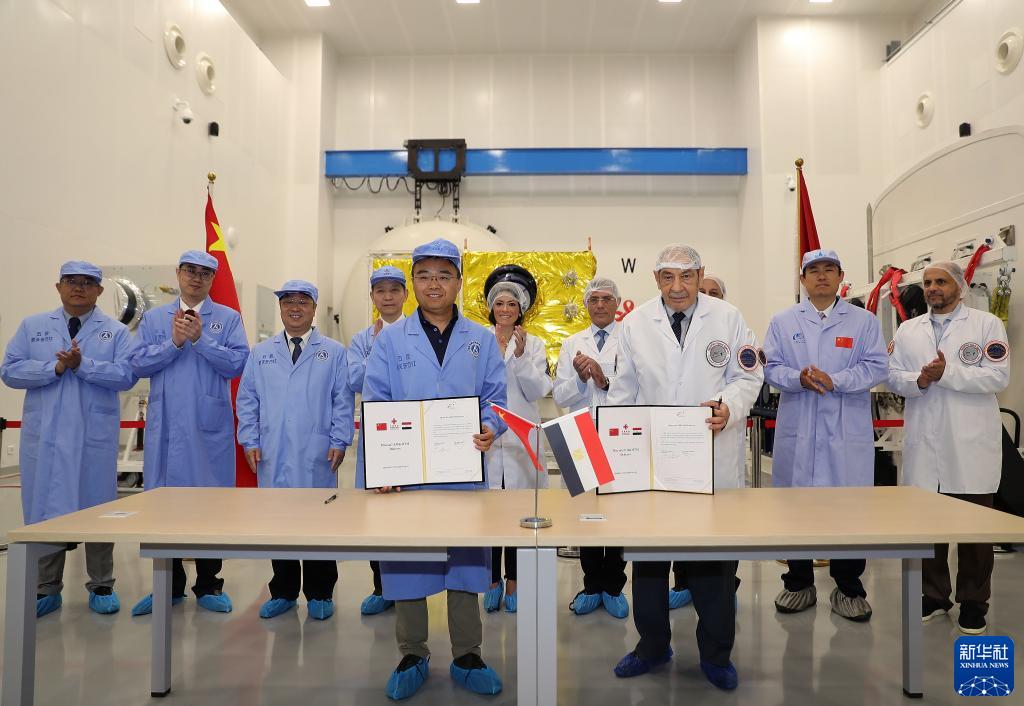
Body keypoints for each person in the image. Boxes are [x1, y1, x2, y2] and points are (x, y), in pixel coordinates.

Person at [606, 244, 762, 691]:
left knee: (713, 566)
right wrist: (617, 451)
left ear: (700, 275)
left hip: (711, 456)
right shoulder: (635, 324)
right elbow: (622, 392)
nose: (678, 287)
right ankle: (652, 646)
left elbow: (748, 375)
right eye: (668, 277)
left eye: (687, 276)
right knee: (649, 565)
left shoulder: (728, 318)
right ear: (656, 279)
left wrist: (728, 406)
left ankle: (716, 654)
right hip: (653, 462)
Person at [362, 238, 507, 700]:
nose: (434, 284)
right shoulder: (390, 341)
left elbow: (496, 398)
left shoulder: (481, 339)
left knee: (465, 564)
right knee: (408, 561)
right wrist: (383, 465)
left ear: (459, 282)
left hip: (463, 471)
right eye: (424, 275)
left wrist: (489, 426)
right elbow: (376, 402)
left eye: (444, 275)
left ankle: (468, 654)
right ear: (413, 284)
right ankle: (412, 653)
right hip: (408, 476)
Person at [1, 261, 136, 617]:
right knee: (46, 510)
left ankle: (102, 584)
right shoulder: (33, 327)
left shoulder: (116, 333)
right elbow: (10, 371)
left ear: (100, 291)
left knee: (99, 510)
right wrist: (55, 368)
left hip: (93, 439)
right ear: (58, 286)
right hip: (45, 438)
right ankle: (46, 588)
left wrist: (83, 365)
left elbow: (126, 375)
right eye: (71, 281)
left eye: (88, 282)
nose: (79, 287)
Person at [763, 248, 888, 622]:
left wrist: (837, 380)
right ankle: (798, 582)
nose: (821, 276)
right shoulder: (783, 321)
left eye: (829, 269)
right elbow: (770, 367)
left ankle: (849, 588)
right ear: (803, 279)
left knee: (849, 509)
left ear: (840, 277)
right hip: (798, 429)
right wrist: (797, 378)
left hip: (846, 430)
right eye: (813, 270)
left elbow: (877, 366)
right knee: (795, 509)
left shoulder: (864, 321)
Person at [888, 261, 1009, 634]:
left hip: (969, 443)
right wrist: (920, 380)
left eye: (941, 281)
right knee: (927, 527)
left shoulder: (986, 325)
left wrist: (948, 373)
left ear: (959, 286)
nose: (932, 288)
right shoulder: (908, 330)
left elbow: (998, 376)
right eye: (927, 282)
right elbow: (893, 376)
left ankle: (974, 602)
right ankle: (933, 595)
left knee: (975, 531)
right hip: (925, 442)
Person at [128, 250, 249, 616]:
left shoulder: (227, 319)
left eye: (204, 273)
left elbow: (237, 363)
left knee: (210, 507)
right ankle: (169, 586)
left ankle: (209, 583)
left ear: (212, 279)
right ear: (178, 273)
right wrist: (174, 343)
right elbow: (138, 363)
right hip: (167, 428)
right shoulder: (154, 319)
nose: (196, 278)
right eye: (190, 271)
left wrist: (200, 340)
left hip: (207, 429)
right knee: (163, 508)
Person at [236, 280, 354, 621]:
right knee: (278, 522)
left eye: (303, 301)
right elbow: (248, 400)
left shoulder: (334, 352)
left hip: (317, 451)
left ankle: (320, 592)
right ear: (280, 308)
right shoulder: (261, 353)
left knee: (320, 522)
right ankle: (284, 591)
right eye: (288, 302)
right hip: (272, 449)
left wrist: (339, 439)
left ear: (314, 308)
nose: (295, 308)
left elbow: (342, 400)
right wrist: (250, 439)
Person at [552, 277, 629, 619]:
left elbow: (637, 387)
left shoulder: (630, 339)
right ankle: (592, 585)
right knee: (585, 515)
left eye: (606, 299)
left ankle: (613, 586)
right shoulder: (572, 343)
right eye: (593, 299)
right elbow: (559, 394)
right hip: (579, 434)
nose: (599, 305)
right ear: (586, 305)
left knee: (616, 513)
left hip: (618, 435)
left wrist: (604, 379)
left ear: (617, 304)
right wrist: (582, 380)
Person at [669, 272, 741, 610]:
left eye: (715, 292)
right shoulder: (672, 326)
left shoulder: (732, 325)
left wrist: (729, 405)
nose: (708, 296)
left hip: (716, 437)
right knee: (679, 521)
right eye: (704, 291)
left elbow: (747, 377)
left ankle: (726, 588)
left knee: (722, 525)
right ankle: (683, 583)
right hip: (675, 443)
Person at [482, 264, 552, 615]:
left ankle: (514, 582)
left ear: (521, 308)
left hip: (522, 441)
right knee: (489, 515)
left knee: (519, 514)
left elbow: (539, 391)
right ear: (491, 307)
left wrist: (522, 359)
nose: (505, 309)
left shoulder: (534, 344)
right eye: (500, 304)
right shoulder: (479, 340)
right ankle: (491, 582)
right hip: (487, 439)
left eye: (512, 304)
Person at [349, 264, 409, 616]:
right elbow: (354, 379)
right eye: (380, 291)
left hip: (410, 433)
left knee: (409, 512)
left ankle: (410, 588)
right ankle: (381, 587)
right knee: (378, 513)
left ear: (405, 294)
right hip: (378, 433)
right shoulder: (362, 339)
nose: (387, 297)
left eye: (394, 290)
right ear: (372, 296)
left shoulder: (418, 332)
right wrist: (378, 351)